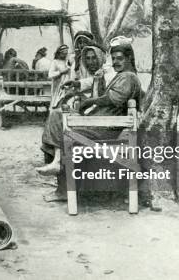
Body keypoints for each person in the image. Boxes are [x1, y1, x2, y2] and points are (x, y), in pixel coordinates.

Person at [37, 44, 141, 201]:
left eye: (120, 59)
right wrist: (84, 98)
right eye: (114, 59)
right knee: (56, 118)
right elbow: (101, 92)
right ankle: (58, 164)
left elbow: (113, 98)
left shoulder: (128, 77)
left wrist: (89, 102)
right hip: (101, 123)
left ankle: (62, 183)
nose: (116, 62)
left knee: (58, 121)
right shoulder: (123, 76)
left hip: (105, 128)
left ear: (129, 59)